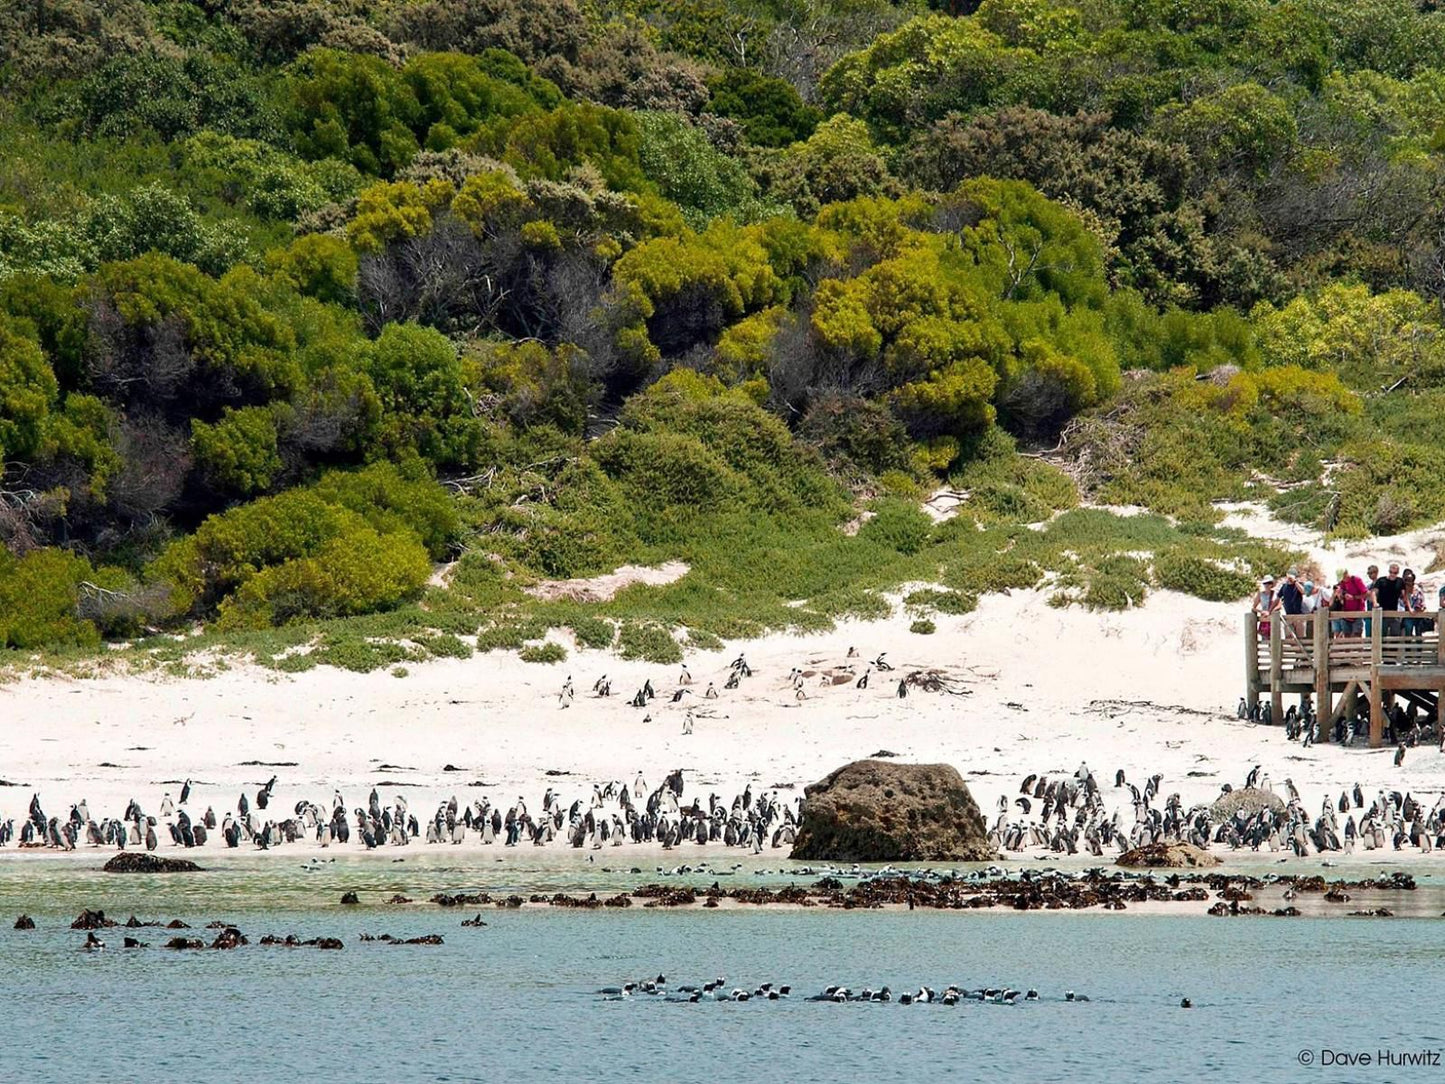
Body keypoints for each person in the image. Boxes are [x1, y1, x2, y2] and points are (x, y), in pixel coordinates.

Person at [1374, 562, 1405, 636]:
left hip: (1394, 611)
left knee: (1395, 634)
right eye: (1391, 572)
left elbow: (1404, 595)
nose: (1392, 574)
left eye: (1395, 573)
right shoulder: (1381, 580)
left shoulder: (1400, 581)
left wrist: (1407, 605)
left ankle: (1394, 647)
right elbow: (1374, 592)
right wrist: (1375, 602)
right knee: (1382, 634)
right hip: (1382, 612)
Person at [1338, 568, 1368, 638]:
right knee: (1347, 637)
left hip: (1357, 613)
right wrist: (1341, 595)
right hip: (1345, 614)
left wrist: (1354, 597)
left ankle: (1357, 649)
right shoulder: (1342, 583)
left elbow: (1366, 594)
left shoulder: (1356, 580)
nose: (1344, 579)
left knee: (1357, 636)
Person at [1403, 571, 1426, 636]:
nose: (1409, 582)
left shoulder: (1418, 589)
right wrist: (1410, 608)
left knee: (1419, 631)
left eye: (1411, 580)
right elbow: (1404, 601)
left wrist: (1422, 607)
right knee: (1408, 630)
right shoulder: (1403, 590)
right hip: (1407, 614)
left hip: (1418, 613)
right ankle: (1408, 645)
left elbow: (1422, 600)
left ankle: (1419, 645)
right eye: (1407, 580)